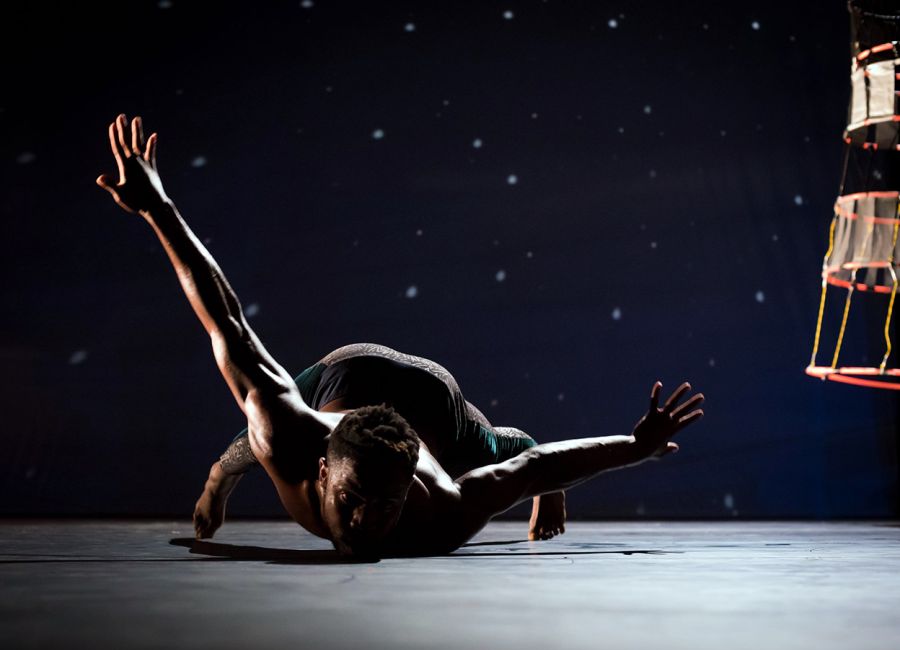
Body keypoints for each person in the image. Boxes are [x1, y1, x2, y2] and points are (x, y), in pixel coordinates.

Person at [97, 113, 705, 559]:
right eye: (356, 499)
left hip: (431, 402)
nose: (367, 523)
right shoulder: (292, 438)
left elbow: (533, 462)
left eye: (386, 505)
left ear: (411, 485)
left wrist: (635, 446)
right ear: (322, 471)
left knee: (499, 446)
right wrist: (157, 208)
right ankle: (217, 478)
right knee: (252, 438)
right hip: (349, 374)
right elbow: (227, 322)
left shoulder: (441, 512)